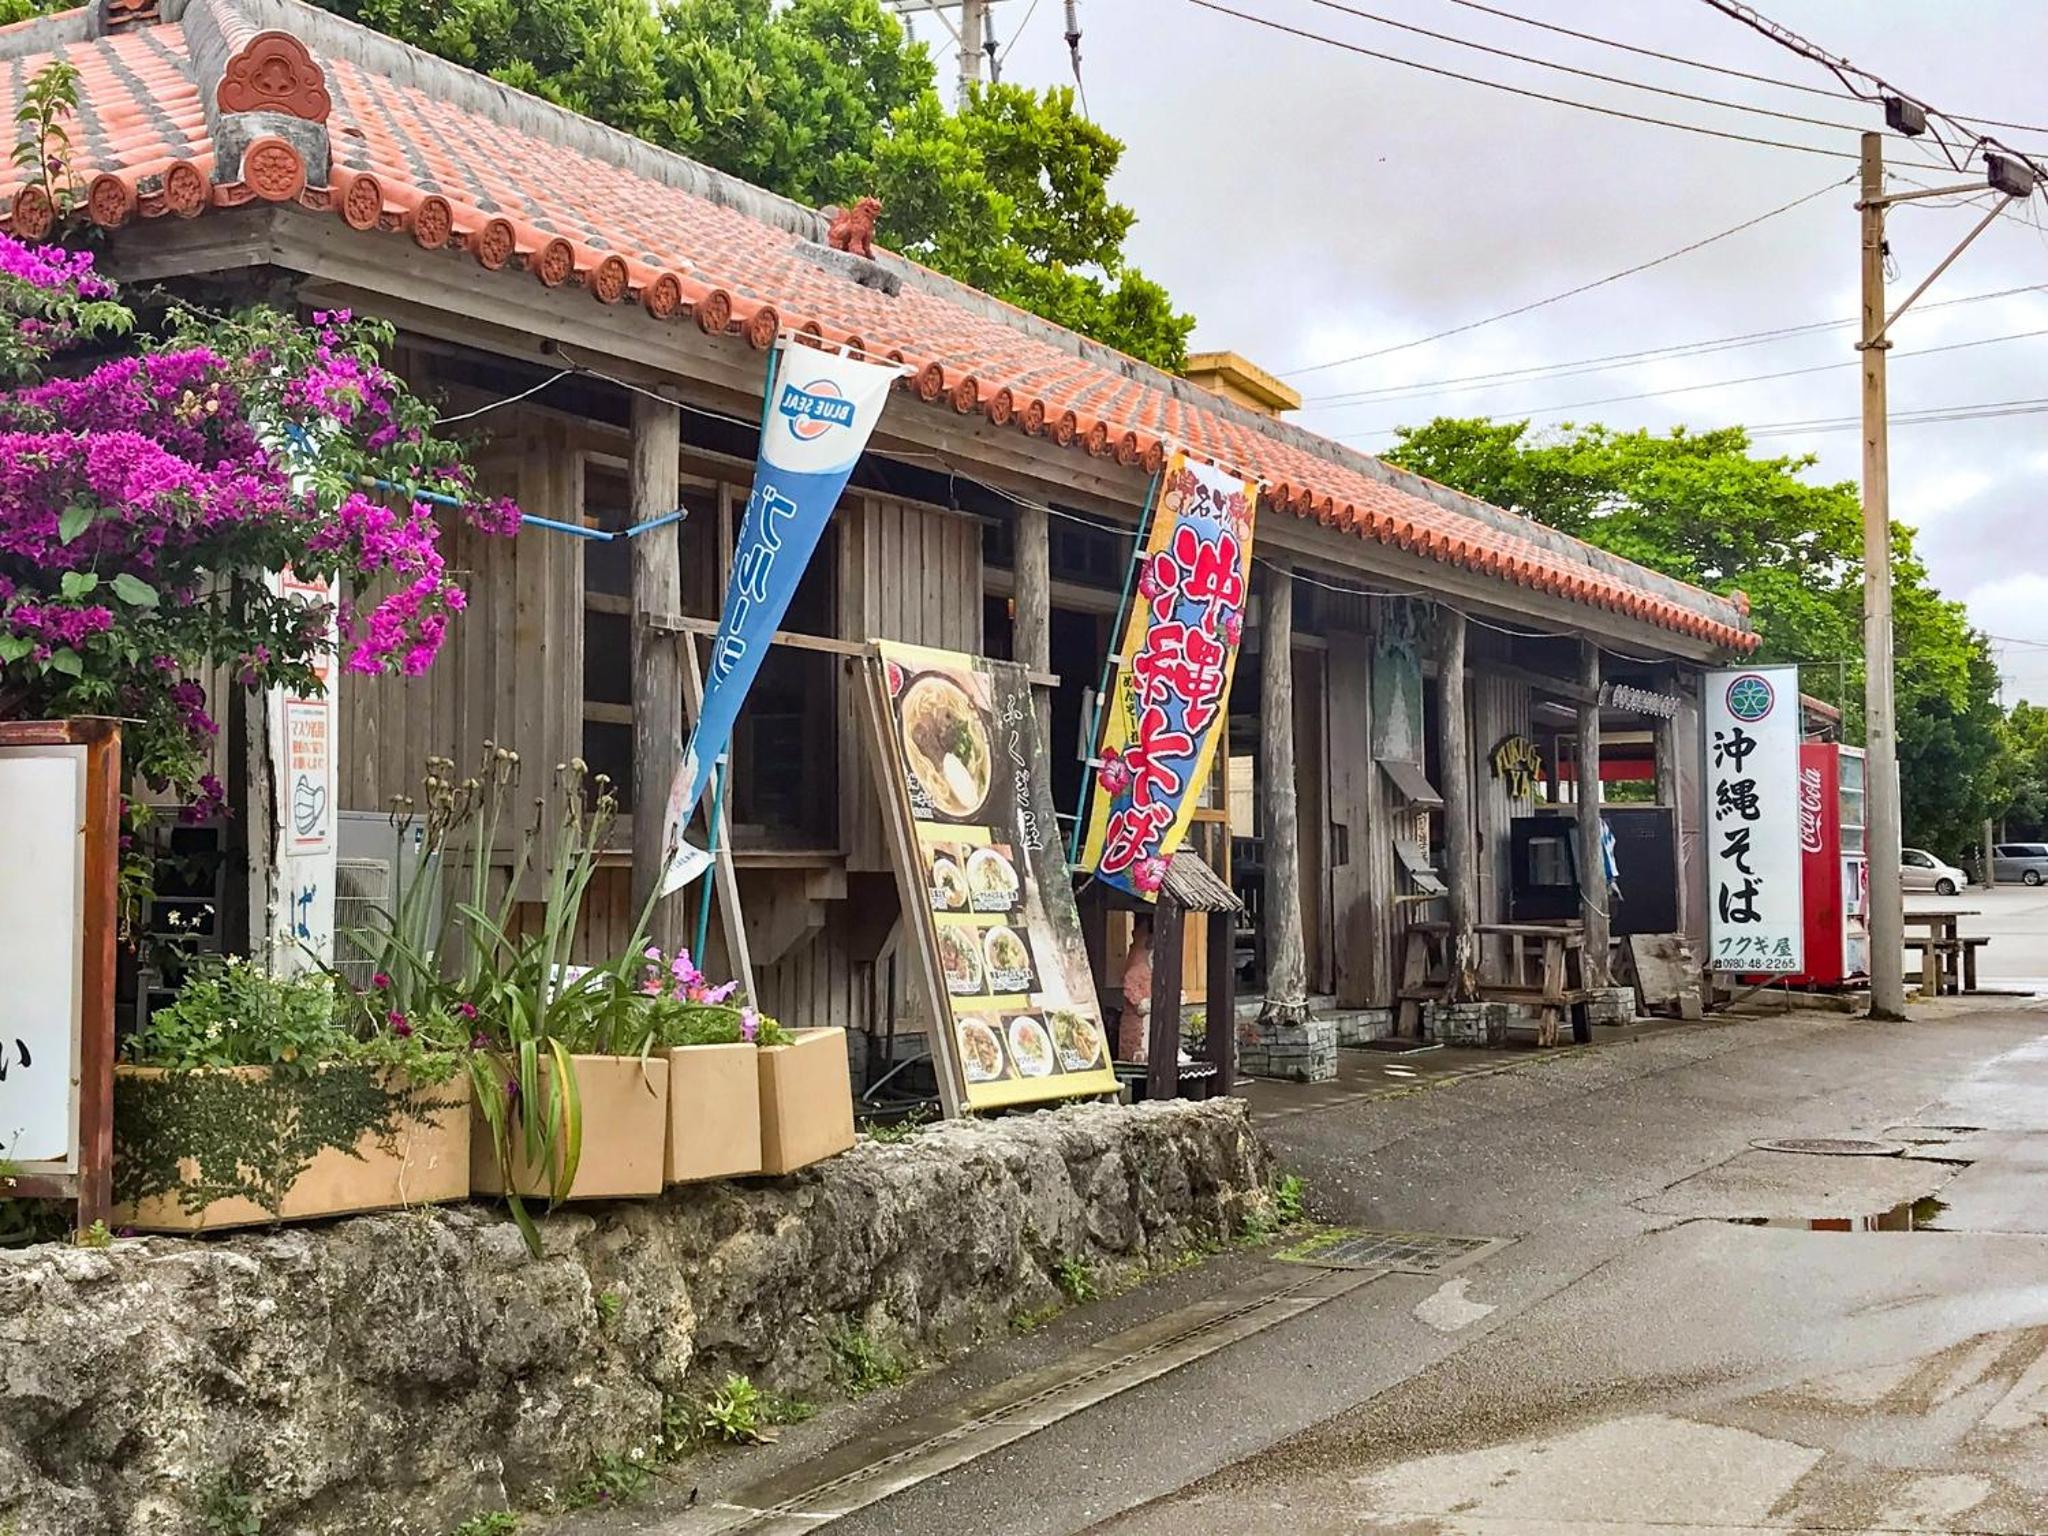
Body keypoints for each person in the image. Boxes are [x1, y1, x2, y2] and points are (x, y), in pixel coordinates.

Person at [1119, 915, 1153, 1063]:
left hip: (1148, 1022)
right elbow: (1139, 1005)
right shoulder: (1137, 961)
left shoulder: (1148, 959)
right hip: (1136, 1025)